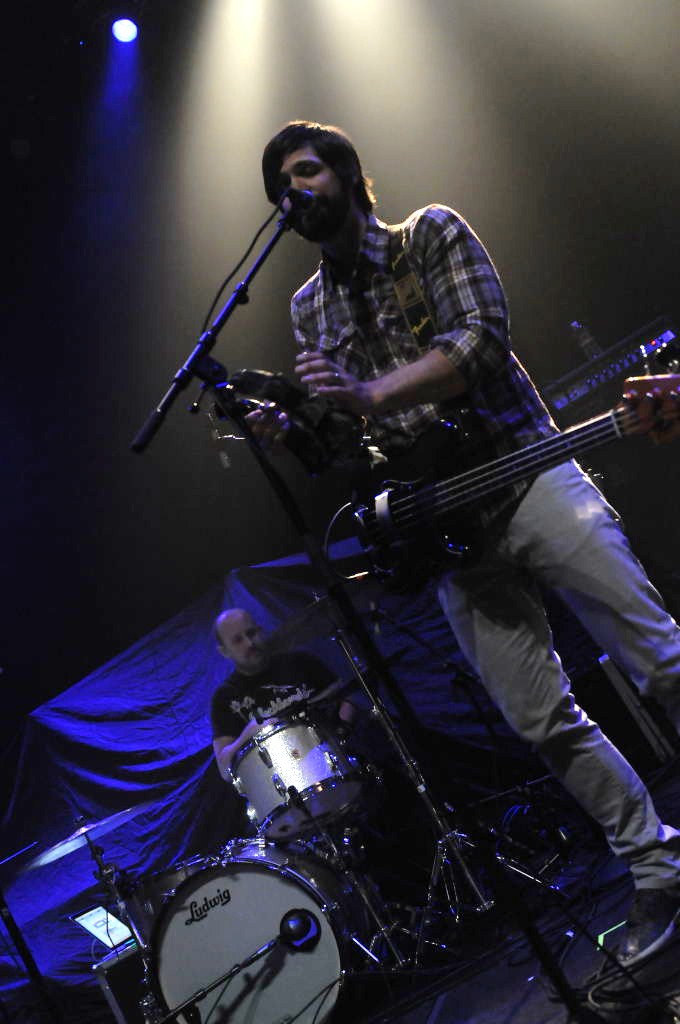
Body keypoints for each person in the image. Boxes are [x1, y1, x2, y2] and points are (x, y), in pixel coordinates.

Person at [248, 119, 680, 965]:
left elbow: (480, 342)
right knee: (541, 719)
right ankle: (657, 866)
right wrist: (296, 433)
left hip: (527, 475)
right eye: (279, 186)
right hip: (447, 530)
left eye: (304, 171)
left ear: (347, 174)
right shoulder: (308, 308)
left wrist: (370, 394)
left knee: (658, 659)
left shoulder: (429, 234)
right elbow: (353, 442)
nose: (292, 192)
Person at [211, 607, 354, 778]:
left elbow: (348, 696)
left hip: (340, 759)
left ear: (260, 630)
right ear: (224, 651)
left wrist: (342, 733)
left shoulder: (301, 661)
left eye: (251, 633)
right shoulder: (225, 698)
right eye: (237, 640)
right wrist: (247, 735)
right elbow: (224, 770)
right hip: (286, 782)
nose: (249, 643)